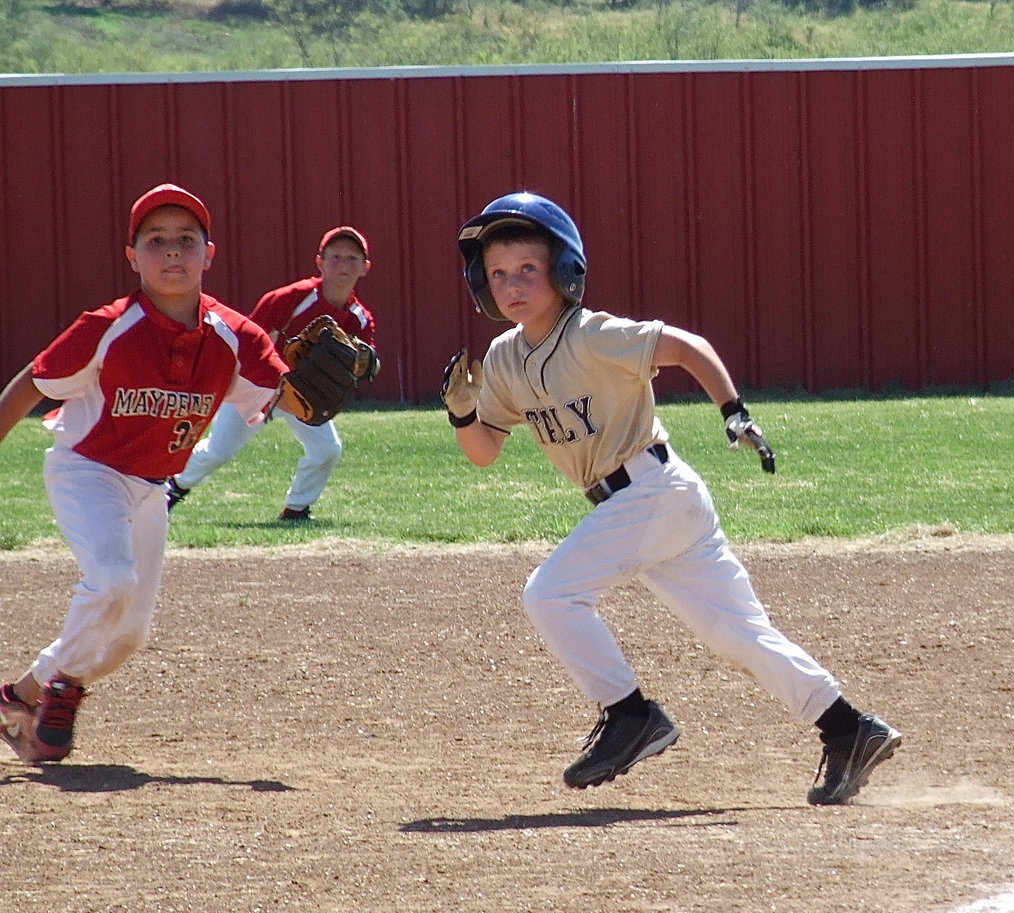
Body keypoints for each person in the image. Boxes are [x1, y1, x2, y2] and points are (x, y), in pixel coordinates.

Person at [443, 192, 901, 804]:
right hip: (649, 505)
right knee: (737, 634)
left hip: (654, 492)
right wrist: (462, 412)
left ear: (563, 269)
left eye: (528, 267)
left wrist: (733, 411)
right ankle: (850, 729)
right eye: (498, 273)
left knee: (549, 594)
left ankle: (630, 715)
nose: (513, 284)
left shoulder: (592, 334)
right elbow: (484, 451)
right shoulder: (504, 359)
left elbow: (687, 347)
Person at [0, 183, 311, 764]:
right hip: (87, 469)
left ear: (208, 255)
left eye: (186, 240)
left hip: (150, 489)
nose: (172, 251)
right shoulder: (107, 326)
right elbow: (32, 384)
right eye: (156, 240)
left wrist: (314, 391)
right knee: (112, 582)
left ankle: (19, 697)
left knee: (128, 635)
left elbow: (293, 399)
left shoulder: (236, 337)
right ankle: (64, 689)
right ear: (132, 257)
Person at [165, 226, 377, 521]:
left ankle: (296, 510)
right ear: (320, 262)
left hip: (304, 393)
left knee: (327, 449)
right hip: (258, 384)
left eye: (352, 259)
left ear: (365, 268)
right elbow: (248, 337)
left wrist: (366, 362)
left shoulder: (359, 318)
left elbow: (366, 361)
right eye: (336, 257)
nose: (343, 265)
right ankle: (172, 489)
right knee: (218, 451)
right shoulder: (290, 298)